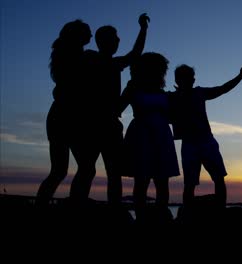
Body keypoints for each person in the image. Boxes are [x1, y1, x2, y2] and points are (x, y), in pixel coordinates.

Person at [68, 13, 149, 206]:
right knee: (88, 170)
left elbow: (135, 53)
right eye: (115, 37)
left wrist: (143, 29)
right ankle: (76, 206)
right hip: (91, 124)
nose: (118, 40)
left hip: (110, 125)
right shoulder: (88, 59)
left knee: (112, 172)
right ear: (104, 41)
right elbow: (134, 54)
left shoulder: (114, 63)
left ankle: (113, 210)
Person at [169, 64, 242, 208]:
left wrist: (240, 76)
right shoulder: (171, 97)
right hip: (189, 144)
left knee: (218, 178)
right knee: (189, 183)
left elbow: (223, 89)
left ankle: (220, 209)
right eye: (189, 77)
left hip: (207, 141)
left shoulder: (199, 93)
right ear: (179, 79)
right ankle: (188, 213)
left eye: (193, 78)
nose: (193, 80)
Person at [36, 20, 93, 206]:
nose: (91, 36)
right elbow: (74, 87)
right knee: (84, 167)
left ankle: (43, 206)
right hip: (68, 117)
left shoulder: (64, 54)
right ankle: (76, 205)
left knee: (60, 171)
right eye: (88, 33)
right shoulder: (76, 56)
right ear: (78, 35)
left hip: (60, 116)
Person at [120, 52, 180, 222]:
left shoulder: (164, 93)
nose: (162, 72)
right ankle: (141, 218)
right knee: (141, 180)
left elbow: (172, 116)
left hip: (162, 135)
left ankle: (161, 217)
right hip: (141, 135)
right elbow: (117, 107)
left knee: (162, 181)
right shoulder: (133, 87)